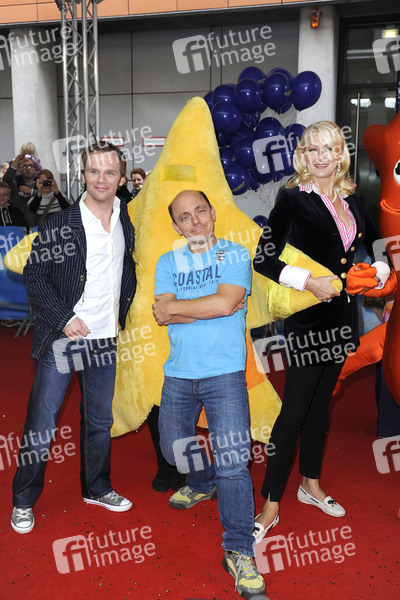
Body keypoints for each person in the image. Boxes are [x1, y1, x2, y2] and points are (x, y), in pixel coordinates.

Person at [252, 121, 389, 543]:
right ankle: (270, 503)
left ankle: (310, 484)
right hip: (308, 322)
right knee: (294, 412)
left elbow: (375, 245)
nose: (322, 156)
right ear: (303, 156)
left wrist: (378, 271)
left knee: (320, 407)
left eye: (329, 148)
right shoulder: (292, 198)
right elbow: (264, 257)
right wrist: (307, 281)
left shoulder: (351, 197)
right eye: (313, 149)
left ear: (340, 154)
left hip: (343, 320)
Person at [11, 142, 136, 534]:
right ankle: (23, 500)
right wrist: (65, 320)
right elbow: (34, 275)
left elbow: (127, 269)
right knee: (42, 422)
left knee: (99, 420)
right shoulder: (59, 224)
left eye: (110, 172)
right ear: (82, 175)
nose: (101, 179)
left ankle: (96, 487)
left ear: (120, 178)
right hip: (64, 339)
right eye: (93, 171)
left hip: (105, 339)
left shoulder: (125, 218)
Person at [152, 189, 266, 599]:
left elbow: (224, 304)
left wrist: (183, 306)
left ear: (213, 212)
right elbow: (162, 312)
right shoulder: (168, 262)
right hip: (179, 373)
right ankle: (202, 481)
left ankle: (239, 551)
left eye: (200, 210)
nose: (195, 220)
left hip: (224, 373)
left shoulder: (234, 254)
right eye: (185, 216)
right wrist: (212, 303)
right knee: (172, 448)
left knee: (233, 463)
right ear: (176, 226)